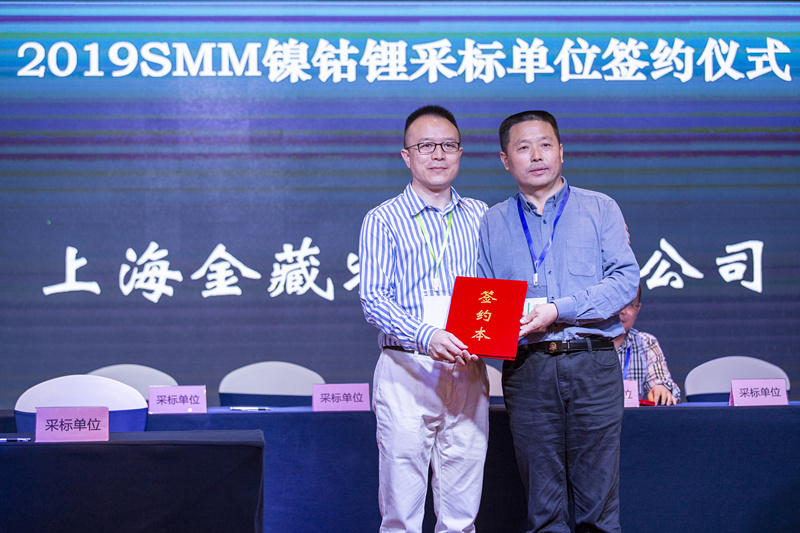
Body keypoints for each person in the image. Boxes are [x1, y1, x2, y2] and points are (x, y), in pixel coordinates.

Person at [476, 110, 639, 533]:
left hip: (593, 362)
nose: (537, 155)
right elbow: (485, 299)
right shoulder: (492, 222)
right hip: (527, 369)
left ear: (561, 151)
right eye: (523, 147)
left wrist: (557, 310)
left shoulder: (599, 208)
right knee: (543, 507)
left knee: (598, 508)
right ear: (505, 160)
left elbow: (625, 282)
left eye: (545, 145)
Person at [359, 105, 489, 533]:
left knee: (462, 513)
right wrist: (427, 335)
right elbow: (374, 300)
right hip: (407, 369)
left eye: (448, 145)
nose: (438, 154)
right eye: (426, 146)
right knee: (402, 512)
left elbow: (499, 287)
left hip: (468, 370)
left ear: (460, 153)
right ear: (406, 156)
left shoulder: (482, 216)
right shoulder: (383, 219)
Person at [615, 285, 681, 405]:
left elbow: (661, 381)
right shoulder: (583, 341)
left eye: (630, 305)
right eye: (617, 303)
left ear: (637, 310)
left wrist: (661, 389)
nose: (622, 311)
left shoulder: (646, 343)